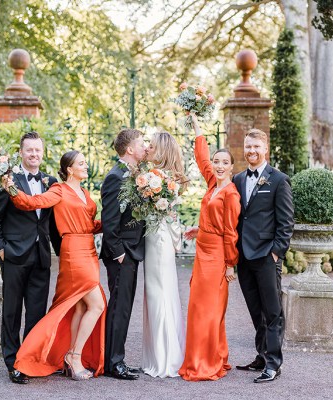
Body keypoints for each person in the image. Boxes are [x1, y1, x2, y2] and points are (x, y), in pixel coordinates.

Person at [2, 150, 106, 381]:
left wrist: (114, 220)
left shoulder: (85, 193)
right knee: (97, 304)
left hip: (88, 248)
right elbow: (31, 202)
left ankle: (70, 356)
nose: (86, 165)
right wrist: (10, 187)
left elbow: (89, 224)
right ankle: (74, 356)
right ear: (69, 169)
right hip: (73, 252)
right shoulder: (58, 190)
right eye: (81, 163)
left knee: (80, 307)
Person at [0, 131, 61, 384]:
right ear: (20, 152)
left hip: (41, 256)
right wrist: (0, 249)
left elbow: (52, 224)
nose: (34, 154)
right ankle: (11, 362)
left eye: (38, 150)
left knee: (37, 313)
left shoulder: (50, 182)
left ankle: (28, 360)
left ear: (42, 152)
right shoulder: (8, 181)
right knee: (12, 312)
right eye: (29, 150)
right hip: (15, 256)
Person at [178, 114, 241, 381]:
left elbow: (230, 232)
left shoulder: (231, 193)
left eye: (224, 162)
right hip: (202, 252)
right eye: (216, 162)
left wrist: (229, 264)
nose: (218, 165)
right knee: (197, 307)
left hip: (217, 258)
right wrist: (196, 127)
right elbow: (201, 158)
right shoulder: (213, 184)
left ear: (231, 167)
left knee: (208, 309)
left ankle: (206, 363)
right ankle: (213, 355)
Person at [233, 128, 294, 383]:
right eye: (248, 147)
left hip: (267, 257)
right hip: (244, 259)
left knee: (272, 312)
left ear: (265, 148)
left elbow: (286, 221)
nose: (252, 151)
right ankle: (261, 355)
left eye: (256, 147)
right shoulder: (237, 179)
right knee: (255, 311)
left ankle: (273, 363)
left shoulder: (279, 180)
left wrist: (276, 253)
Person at [100, 129, 147, 380]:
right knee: (120, 307)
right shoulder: (115, 177)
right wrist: (118, 253)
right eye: (142, 144)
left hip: (132, 250)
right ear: (129, 149)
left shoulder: (135, 175)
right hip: (122, 253)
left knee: (124, 307)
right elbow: (109, 220)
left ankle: (116, 358)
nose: (145, 147)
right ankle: (113, 363)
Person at [141, 131, 187, 378]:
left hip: (158, 240)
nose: (147, 148)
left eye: (151, 145)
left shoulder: (156, 178)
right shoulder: (166, 177)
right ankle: (164, 354)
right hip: (160, 237)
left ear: (162, 151)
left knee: (158, 294)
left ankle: (163, 358)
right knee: (162, 293)